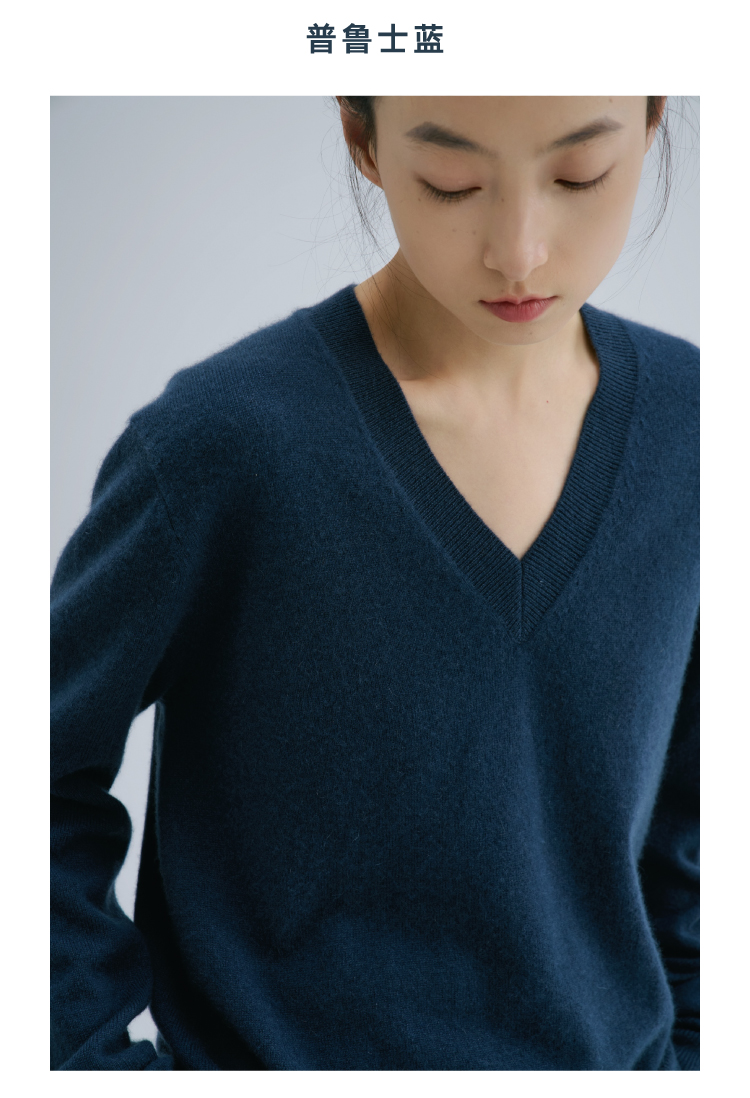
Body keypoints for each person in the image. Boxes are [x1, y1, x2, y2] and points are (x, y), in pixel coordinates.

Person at [50, 96, 699, 1071]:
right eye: (453, 183)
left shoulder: (696, 434)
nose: (519, 253)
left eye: (580, 175)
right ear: (363, 140)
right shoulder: (224, 447)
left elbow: (693, 826)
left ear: (649, 126)